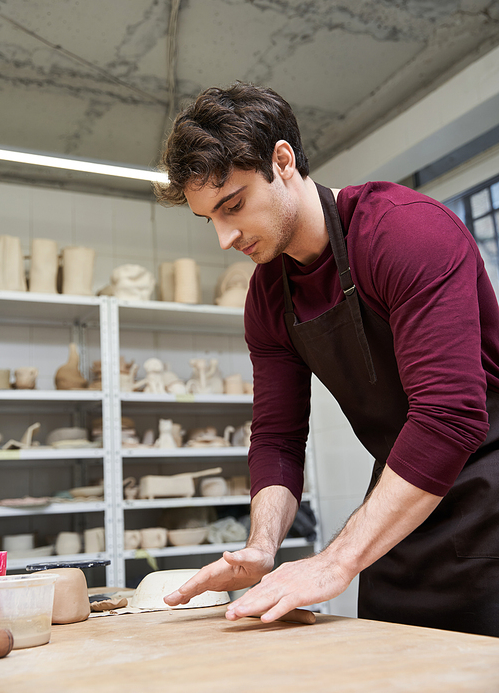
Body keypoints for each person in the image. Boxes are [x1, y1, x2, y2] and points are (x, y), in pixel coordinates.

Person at [154, 81, 499, 636]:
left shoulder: (405, 231)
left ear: (283, 160)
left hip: (489, 490)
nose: (223, 237)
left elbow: (450, 416)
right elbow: (276, 438)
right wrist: (262, 546)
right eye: (209, 219)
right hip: (399, 509)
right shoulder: (267, 296)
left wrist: (337, 559)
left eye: (233, 205)